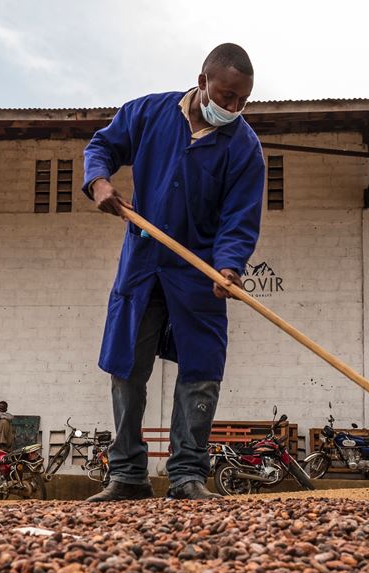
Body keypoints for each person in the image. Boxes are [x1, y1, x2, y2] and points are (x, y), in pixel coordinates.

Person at [82, 43, 265, 502]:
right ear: (202, 82)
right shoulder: (149, 113)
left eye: (242, 100)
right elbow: (102, 144)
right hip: (142, 264)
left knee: (201, 370)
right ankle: (126, 474)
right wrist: (99, 181)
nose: (232, 107)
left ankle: (187, 475)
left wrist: (228, 265)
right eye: (225, 96)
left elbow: (239, 218)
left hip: (199, 272)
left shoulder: (243, 147)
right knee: (127, 366)